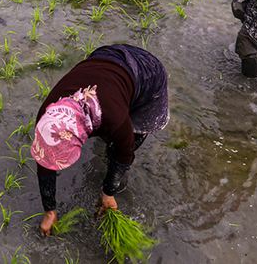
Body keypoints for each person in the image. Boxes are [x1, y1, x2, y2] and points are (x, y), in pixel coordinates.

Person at [31, 44, 169, 236]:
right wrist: (49, 210)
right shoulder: (46, 116)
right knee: (113, 134)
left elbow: (125, 152)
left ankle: (118, 146)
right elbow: (45, 159)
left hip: (148, 72)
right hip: (104, 57)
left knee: (129, 140)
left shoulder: (114, 118)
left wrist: (108, 194)